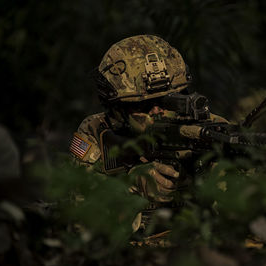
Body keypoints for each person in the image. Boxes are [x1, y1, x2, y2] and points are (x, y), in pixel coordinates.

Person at [70, 35, 228, 231]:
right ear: (117, 109)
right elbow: (81, 218)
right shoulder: (97, 132)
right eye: (143, 105)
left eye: (167, 101)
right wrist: (133, 185)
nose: (157, 111)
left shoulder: (206, 129)